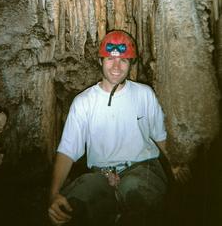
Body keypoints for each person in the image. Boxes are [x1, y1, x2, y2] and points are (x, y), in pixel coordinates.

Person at [48, 30, 190, 226]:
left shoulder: (144, 94)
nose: (116, 66)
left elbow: (159, 134)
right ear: (100, 61)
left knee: (135, 195)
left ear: (130, 63)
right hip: (101, 174)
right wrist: (54, 193)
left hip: (143, 168)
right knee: (70, 206)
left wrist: (173, 162)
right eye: (110, 59)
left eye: (123, 60)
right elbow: (67, 151)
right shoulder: (83, 102)